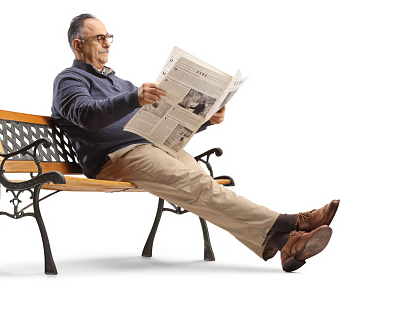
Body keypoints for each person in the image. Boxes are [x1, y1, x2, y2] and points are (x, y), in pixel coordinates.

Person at [51, 14, 339, 272]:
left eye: (108, 37)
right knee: (200, 187)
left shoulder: (120, 83)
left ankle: (285, 243)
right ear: (78, 45)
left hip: (154, 147)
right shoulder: (69, 80)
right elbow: (85, 115)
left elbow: (157, 121)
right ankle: (293, 222)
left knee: (205, 190)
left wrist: (205, 121)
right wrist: (134, 98)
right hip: (117, 158)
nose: (107, 43)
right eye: (99, 38)